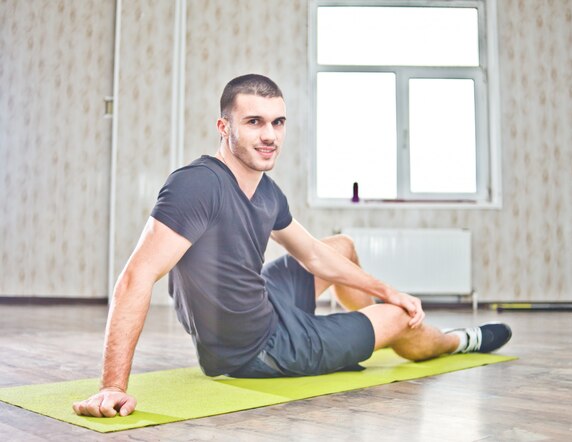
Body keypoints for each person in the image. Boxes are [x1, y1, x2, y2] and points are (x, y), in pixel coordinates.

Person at [73, 74, 511, 418]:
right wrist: (113, 385)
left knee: (341, 244)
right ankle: (454, 341)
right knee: (398, 318)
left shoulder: (266, 191)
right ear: (224, 127)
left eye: (277, 122)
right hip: (260, 348)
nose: (270, 135)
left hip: (263, 304)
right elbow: (136, 277)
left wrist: (386, 288)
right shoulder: (196, 185)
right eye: (254, 122)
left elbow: (317, 254)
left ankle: (359, 330)